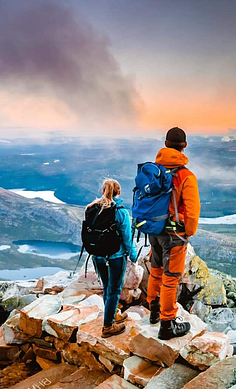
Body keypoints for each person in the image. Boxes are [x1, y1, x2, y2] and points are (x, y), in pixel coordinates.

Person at [146, 127, 201, 340]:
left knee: (156, 270)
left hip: (154, 230)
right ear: (184, 146)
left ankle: (153, 311)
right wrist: (188, 232)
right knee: (170, 279)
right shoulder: (186, 176)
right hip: (174, 235)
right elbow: (192, 210)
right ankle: (167, 325)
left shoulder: (154, 171)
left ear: (166, 143)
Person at [86, 179, 138, 338]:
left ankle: (113, 314)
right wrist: (133, 256)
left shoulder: (91, 208)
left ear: (103, 191)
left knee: (107, 286)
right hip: (115, 256)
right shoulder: (120, 212)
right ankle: (108, 326)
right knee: (114, 289)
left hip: (97, 256)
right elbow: (127, 238)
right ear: (119, 192)